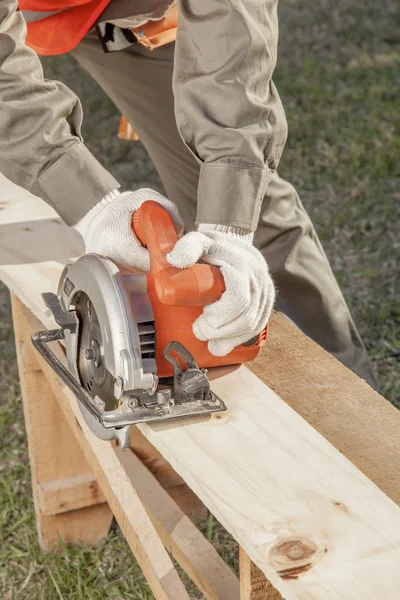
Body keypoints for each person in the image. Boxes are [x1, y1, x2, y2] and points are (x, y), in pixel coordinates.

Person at [0, 0, 376, 385]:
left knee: (249, 206)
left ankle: (346, 400)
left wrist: (230, 222)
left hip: (156, 11)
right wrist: (89, 202)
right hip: (54, 14)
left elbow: (231, 25)